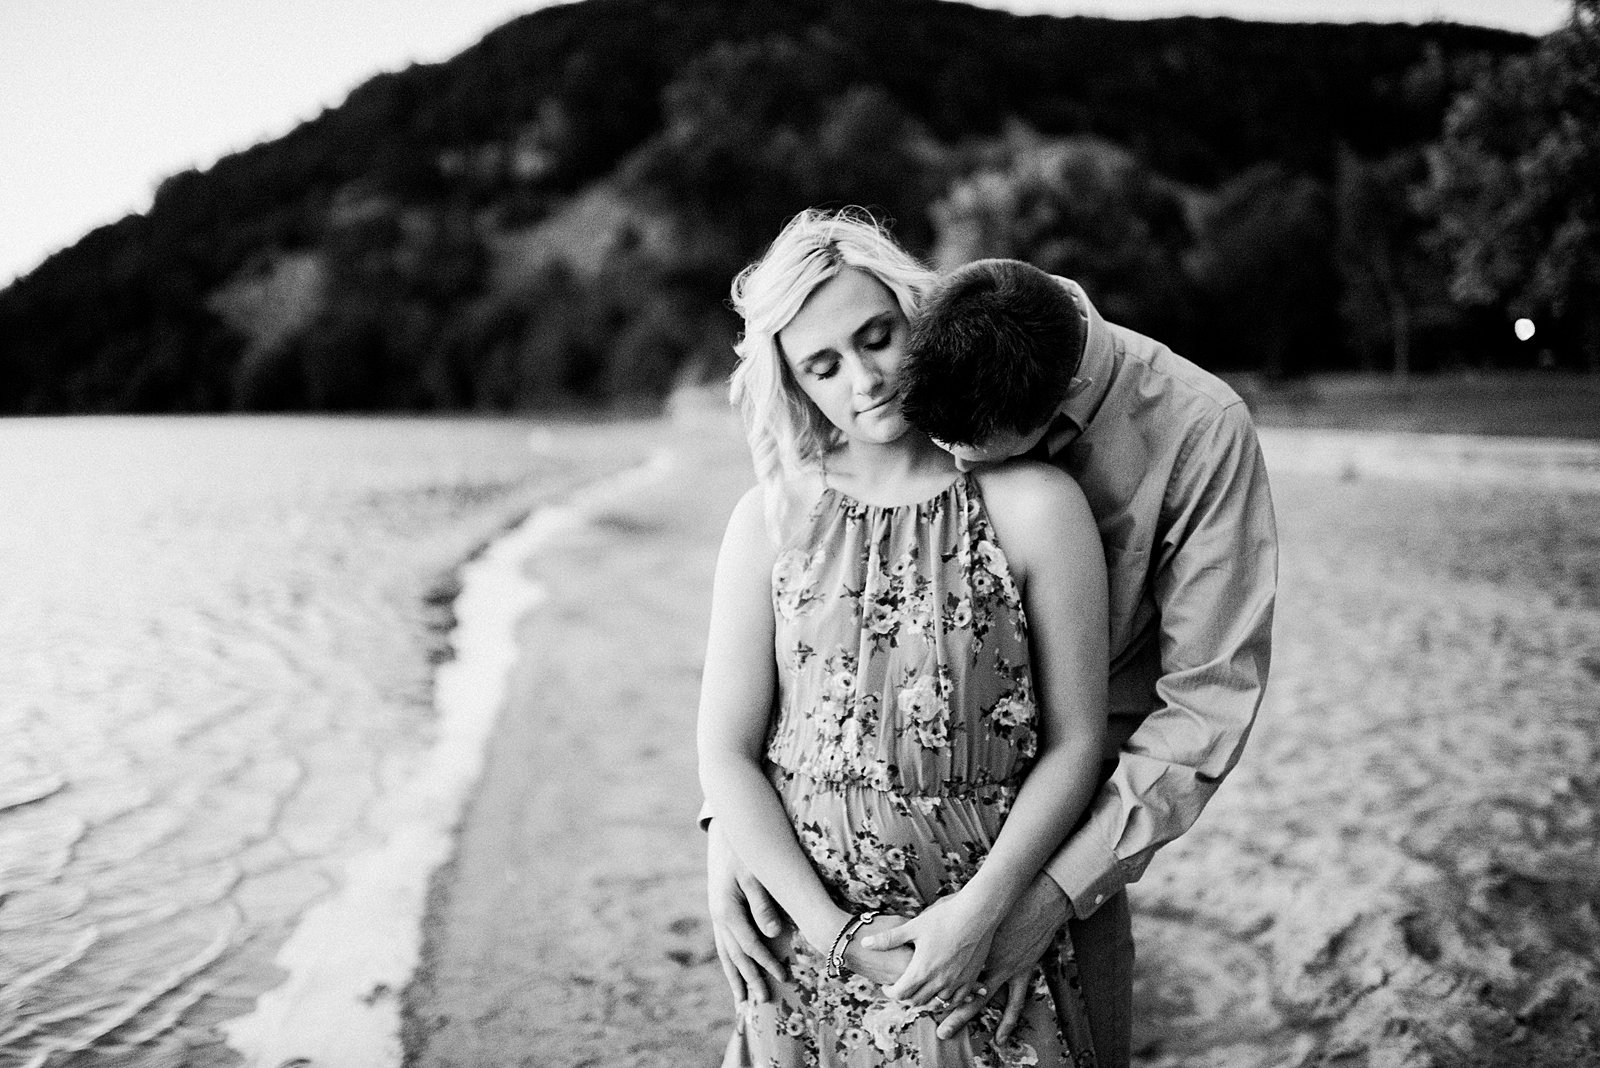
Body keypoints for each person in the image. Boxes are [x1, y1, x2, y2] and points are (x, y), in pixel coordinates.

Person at [711, 256, 1279, 1067]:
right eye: (826, 366)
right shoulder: (984, 317)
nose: (957, 459)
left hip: (1060, 845)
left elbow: (1204, 706)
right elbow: (775, 702)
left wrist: (1031, 904)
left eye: (879, 343)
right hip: (828, 913)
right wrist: (730, 837)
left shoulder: (1191, 434)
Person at [697, 209, 1110, 1065]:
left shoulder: (1034, 505)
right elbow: (727, 752)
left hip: (974, 949)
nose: (866, 378)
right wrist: (832, 933)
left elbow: (1077, 745)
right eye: (824, 365)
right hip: (810, 951)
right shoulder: (772, 520)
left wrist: (988, 912)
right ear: (795, 385)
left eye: (877, 335)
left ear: (914, 314)